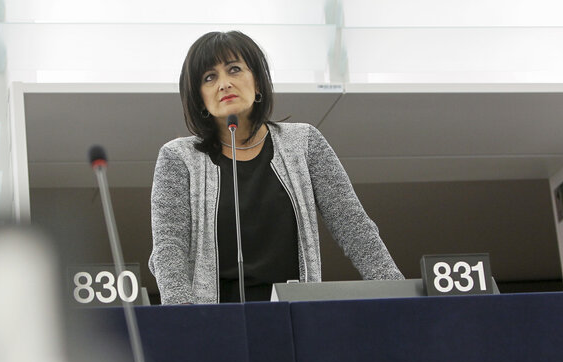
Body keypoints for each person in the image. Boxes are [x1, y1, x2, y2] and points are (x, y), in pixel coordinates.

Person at [149, 31, 403, 305]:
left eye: (234, 69)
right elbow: (168, 248)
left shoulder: (304, 143)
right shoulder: (178, 157)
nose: (224, 84)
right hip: (214, 324)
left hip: (295, 320)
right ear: (199, 98)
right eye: (209, 77)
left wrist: (401, 297)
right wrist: (183, 317)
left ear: (257, 82)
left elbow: (354, 228)